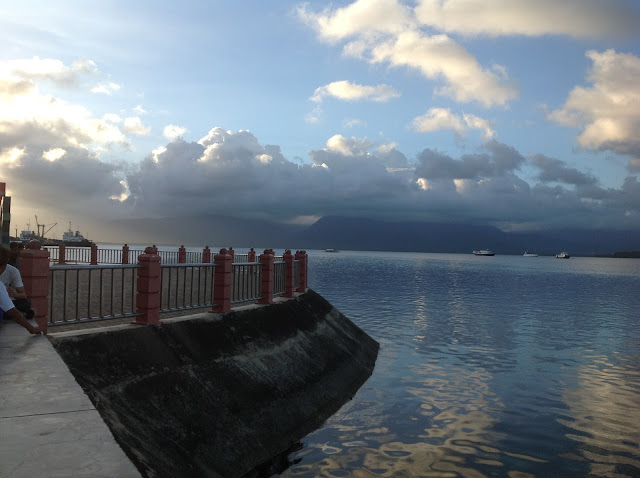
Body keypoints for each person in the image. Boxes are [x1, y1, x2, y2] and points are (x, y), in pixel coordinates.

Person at [0, 247, 35, 319]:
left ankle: (10, 315)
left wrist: (14, 294)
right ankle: (20, 315)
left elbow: (23, 295)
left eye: (2, 267)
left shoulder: (13, 271)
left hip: (4, 302)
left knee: (25, 303)